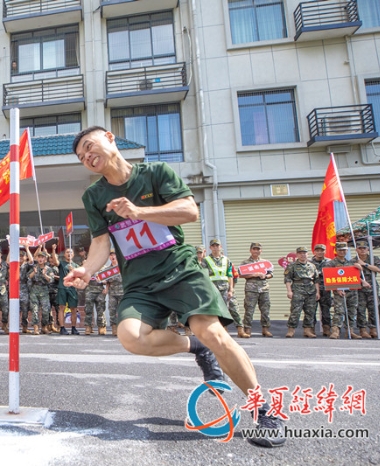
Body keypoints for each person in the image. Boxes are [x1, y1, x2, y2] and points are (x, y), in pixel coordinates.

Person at [66, 126, 285, 447]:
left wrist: (139, 211)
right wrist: (86, 269)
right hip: (140, 282)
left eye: (89, 146)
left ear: (110, 139)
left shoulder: (156, 173)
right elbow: (101, 242)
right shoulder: (93, 196)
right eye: (82, 156)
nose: (87, 156)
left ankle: (264, 410)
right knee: (130, 336)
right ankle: (196, 348)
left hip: (179, 269)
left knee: (213, 332)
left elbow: (189, 211)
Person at [202, 239, 246, 338]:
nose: (215, 247)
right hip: (213, 289)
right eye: (213, 246)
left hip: (226, 289)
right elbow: (204, 275)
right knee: (218, 310)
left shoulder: (226, 260)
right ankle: (223, 330)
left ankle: (240, 329)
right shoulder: (206, 260)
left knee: (234, 308)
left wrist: (231, 289)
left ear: (220, 247)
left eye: (217, 246)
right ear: (210, 248)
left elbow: (230, 275)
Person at [284, 247, 320, 338]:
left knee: (310, 311)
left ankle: (307, 330)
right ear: (297, 255)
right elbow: (287, 279)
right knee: (295, 311)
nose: (302, 255)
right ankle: (291, 330)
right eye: (300, 253)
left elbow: (316, 280)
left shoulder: (312, 266)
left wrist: (317, 292)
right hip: (297, 289)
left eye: (304, 253)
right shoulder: (292, 266)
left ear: (308, 254)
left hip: (311, 290)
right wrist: (289, 291)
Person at [240, 243, 274, 338]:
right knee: (249, 310)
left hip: (264, 288)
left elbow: (271, 274)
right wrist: (253, 275)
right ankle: (247, 329)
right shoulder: (245, 263)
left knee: (265, 310)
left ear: (261, 251)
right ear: (250, 250)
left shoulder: (265, 263)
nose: (256, 251)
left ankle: (265, 329)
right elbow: (240, 274)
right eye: (254, 249)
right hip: (251, 289)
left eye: (258, 249)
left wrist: (265, 276)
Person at [354, 243, 380, 338]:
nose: (362, 250)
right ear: (356, 249)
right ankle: (363, 330)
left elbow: (379, 269)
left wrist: (364, 264)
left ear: (368, 249)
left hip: (372, 287)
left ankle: (373, 329)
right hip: (359, 288)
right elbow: (351, 275)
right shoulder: (353, 261)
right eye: (360, 248)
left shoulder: (374, 259)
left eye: (364, 248)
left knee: (373, 309)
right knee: (360, 309)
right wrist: (362, 281)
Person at [50, 244, 80, 335]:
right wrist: (53, 250)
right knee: (61, 308)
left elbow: (79, 278)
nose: (69, 254)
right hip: (62, 287)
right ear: (64, 254)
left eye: (71, 252)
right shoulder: (62, 263)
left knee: (73, 309)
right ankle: (62, 328)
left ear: (73, 254)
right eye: (67, 252)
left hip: (72, 289)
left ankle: (73, 328)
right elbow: (55, 261)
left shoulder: (76, 265)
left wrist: (73, 270)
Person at [28, 250, 54, 334]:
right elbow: (29, 277)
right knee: (34, 309)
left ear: (45, 259)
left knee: (46, 309)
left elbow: (51, 280)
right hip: (35, 289)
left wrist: (44, 274)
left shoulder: (48, 269)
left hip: (44, 290)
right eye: (39, 257)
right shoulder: (34, 267)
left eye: (42, 257)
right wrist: (34, 272)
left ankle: (44, 327)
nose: (40, 259)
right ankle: (36, 327)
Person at [310, 244, 332, 336]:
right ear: (314, 252)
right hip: (312, 289)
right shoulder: (309, 262)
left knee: (326, 309)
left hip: (326, 289)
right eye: (317, 250)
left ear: (325, 251)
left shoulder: (329, 262)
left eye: (322, 250)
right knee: (311, 310)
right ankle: (311, 329)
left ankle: (326, 328)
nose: (320, 252)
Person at [83, 263, 107, 336]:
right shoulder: (88, 267)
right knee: (88, 309)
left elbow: (108, 281)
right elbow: (82, 278)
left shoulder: (105, 268)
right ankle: (88, 327)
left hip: (100, 291)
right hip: (89, 290)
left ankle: (101, 326)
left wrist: (102, 281)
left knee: (101, 310)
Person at [105, 250, 123, 336]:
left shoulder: (123, 267)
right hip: (112, 293)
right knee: (112, 310)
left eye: (114, 255)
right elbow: (107, 282)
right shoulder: (108, 270)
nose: (113, 257)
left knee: (122, 311)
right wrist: (106, 288)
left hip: (123, 292)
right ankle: (114, 327)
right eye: (111, 255)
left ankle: (122, 328)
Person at [19, 246, 34, 333]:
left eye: (22, 256)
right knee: (14, 309)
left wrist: (27, 248)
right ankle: (12, 326)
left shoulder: (26, 265)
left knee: (25, 310)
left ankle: (24, 327)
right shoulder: (14, 263)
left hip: (24, 289)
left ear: (25, 257)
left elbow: (31, 261)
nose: (20, 257)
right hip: (14, 289)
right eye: (19, 256)